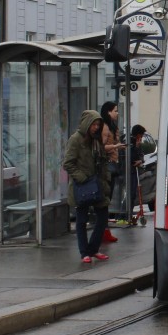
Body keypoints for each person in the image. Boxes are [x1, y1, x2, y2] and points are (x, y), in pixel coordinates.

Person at [62, 109, 112, 263]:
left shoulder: (96, 140)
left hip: (98, 184)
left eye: (98, 124)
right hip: (82, 186)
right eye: (93, 124)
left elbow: (102, 162)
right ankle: (84, 252)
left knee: (102, 218)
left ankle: (93, 249)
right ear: (86, 124)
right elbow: (68, 163)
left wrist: (106, 179)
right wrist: (82, 178)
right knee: (82, 220)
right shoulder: (75, 139)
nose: (96, 127)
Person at [98, 101, 122, 242]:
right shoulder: (105, 127)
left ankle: (104, 230)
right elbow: (101, 147)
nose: (117, 113)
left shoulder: (112, 126)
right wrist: (115, 146)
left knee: (108, 199)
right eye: (115, 110)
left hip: (112, 165)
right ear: (108, 112)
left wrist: (118, 146)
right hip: (107, 167)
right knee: (105, 199)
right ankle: (103, 230)